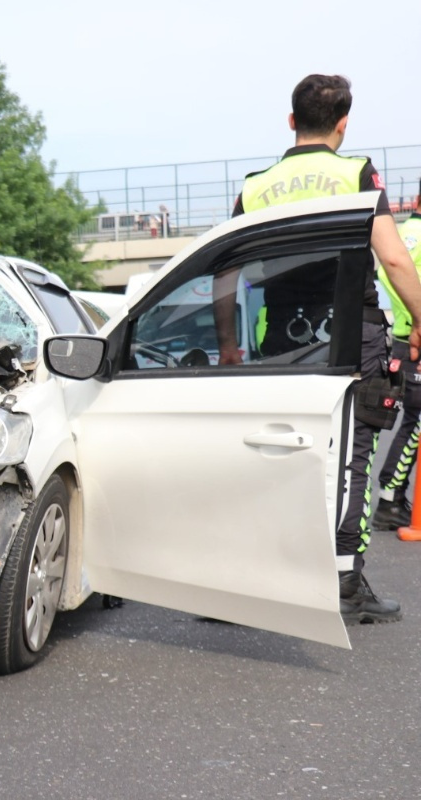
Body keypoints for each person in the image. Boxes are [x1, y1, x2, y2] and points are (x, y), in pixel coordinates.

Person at [215, 74, 421, 623]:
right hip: (351, 333)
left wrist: (229, 346)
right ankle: (343, 581)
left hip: (280, 339)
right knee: (350, 458)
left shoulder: (256, 184)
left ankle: (252, 579)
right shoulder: (355, 173)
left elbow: (226, 268)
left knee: (275, 453)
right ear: (343, 123)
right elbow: (396, 261)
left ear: (291, 121)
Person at [374, 183, 421, 540]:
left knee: (413, 420)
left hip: (407, 336)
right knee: (416, 422)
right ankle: (390, 500)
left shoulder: (402, 235)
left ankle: (392, 498)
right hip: (415, 338)